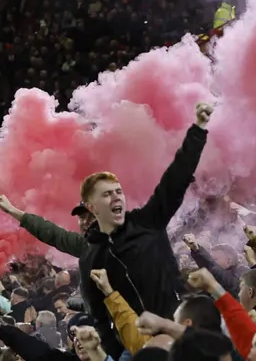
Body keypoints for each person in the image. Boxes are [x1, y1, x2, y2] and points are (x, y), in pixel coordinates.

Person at [77, 102, 213, 358]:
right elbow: (98, 315)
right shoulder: (90, 258)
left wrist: (198, 129)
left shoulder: (147, 221)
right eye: (107, 194)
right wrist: (119, 351)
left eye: (118, 192)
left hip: (177, 330)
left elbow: (175, 179)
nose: (116, 197)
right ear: (92, 207)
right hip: (137, 347)